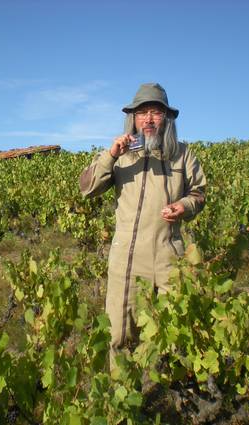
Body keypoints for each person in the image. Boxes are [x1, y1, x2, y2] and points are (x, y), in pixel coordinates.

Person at [79, 83, 206, 369]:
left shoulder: (182, 155)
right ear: (133, 118)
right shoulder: (120, 154)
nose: (148, 119)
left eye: (156, 112)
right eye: (142, 113)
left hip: (169, 257)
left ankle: (173, 395)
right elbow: (87, 188)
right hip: (127, 258)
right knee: (119, 334)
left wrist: (183, 206)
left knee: (175, 329)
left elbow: (199, 193)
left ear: (166, 118)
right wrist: (110, 155)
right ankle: (121, 400)